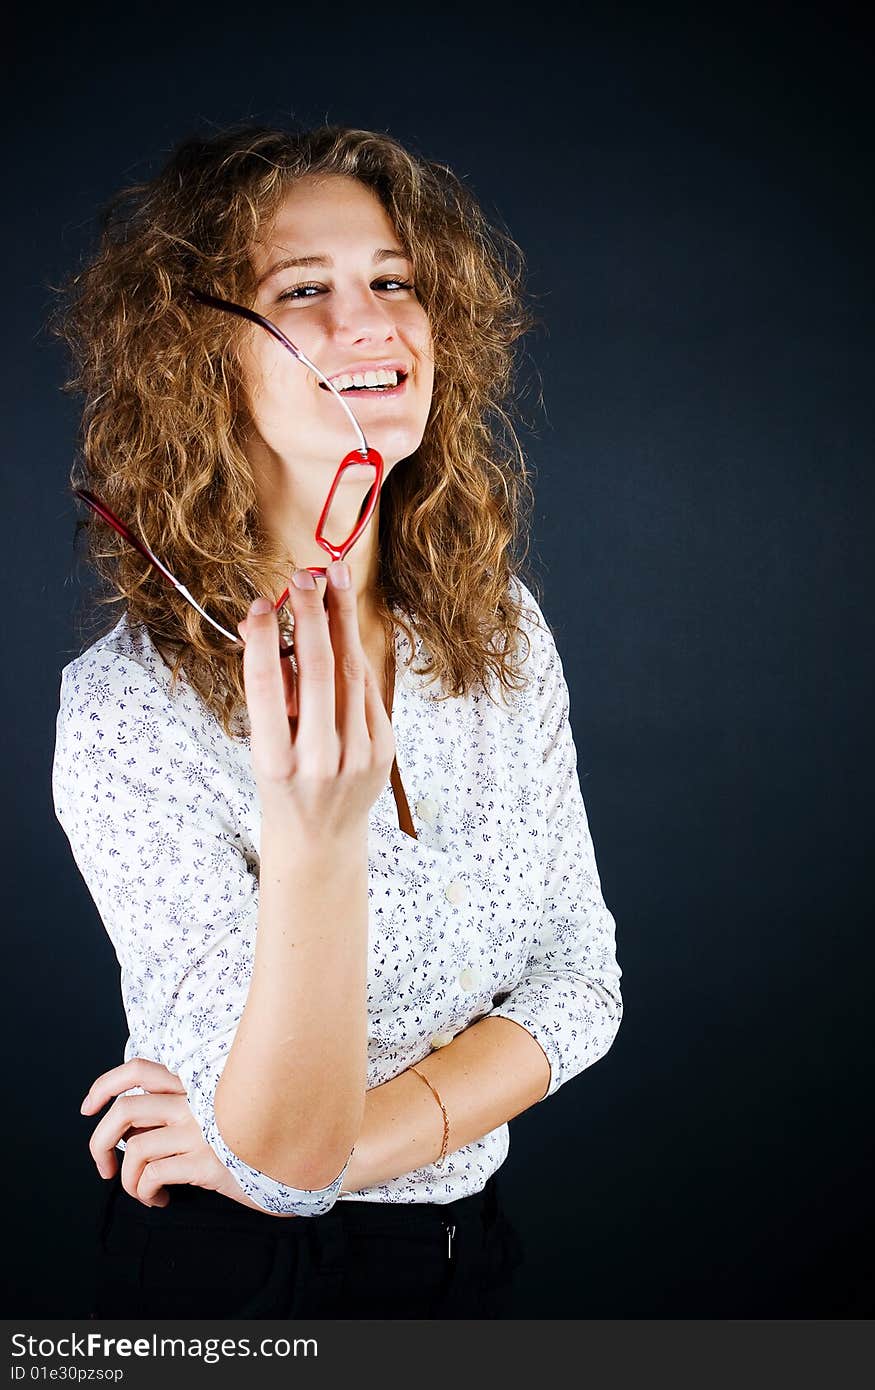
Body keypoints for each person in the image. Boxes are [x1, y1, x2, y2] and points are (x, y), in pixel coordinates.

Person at [50, 122, 624, 1319]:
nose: (373, 322)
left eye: (394, 282)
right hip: (237, 1288)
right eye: (303, 289)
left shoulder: (494, 627)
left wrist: (325, 1159)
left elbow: (583, 987)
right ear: (194, 354)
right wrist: (312, 844)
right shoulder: (125, 714)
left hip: (469, 1260)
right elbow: (275, 1163)